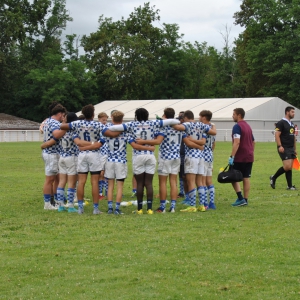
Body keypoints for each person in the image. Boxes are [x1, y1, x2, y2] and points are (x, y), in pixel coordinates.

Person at [108, 108, 180, 214]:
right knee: (149, 183)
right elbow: (174, 121)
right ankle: (150, 209)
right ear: (147, 115)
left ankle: (140, 209)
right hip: (150, 156)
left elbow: (113, 128)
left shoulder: (131, 124)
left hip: (138, 156)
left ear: (136, 115)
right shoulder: (154, 123)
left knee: (140, 183)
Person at [136, 107, 203, 213]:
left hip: (165, 157)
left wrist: (142, 141)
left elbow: (158, 141)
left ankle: (162, 207)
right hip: (176, 157)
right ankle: (172, 206)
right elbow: (187, 141)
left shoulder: (163, 128)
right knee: (173, 182)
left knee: (162, 182)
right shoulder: (179, 128)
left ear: (165, 116)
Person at [60, 104, 119, 215]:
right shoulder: (98, 125)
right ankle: (95, 209)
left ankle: (80, 208)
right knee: (95, 182)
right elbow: (110, 133)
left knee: (81, 182)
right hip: (94, 155)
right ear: (93, 114)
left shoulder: (77, 123)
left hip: (82, 154)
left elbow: (63, 127)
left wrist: (65, 122)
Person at [173, 110, 217, 212]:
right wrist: (200, 146)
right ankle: (202, 205)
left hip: (191, 156)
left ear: (185, 118)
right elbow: (213, 133)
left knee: (191, 181)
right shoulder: (201, 125)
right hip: (202, 156)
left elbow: (178, 128)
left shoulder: (187, 124)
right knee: (200, 182)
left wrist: (168, 121)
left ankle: (192, 206)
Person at [41, 112, 79, 213]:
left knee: (61, 182)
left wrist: (43, 145)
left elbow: (53, 139)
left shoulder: (61, 131)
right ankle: (70, 206)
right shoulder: (74, 131)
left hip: (62, 157)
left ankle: (61, 205)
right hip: (72, 157)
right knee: (71, 183)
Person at [41, 104, 67, 210]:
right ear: (60, 114)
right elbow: (56, 134)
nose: (63, 118)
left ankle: (56, 201)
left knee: (57, 178)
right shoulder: (55, 123)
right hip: (52, 153)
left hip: (50, 152)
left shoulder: (47, 121)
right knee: (49, 179)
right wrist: (65, 128)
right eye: (63, 116)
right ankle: (47, 203)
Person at [229, 108, 255, 207]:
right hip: (249, 156)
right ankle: (246, 199)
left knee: (233, 177)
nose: (232, 116)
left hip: (240, 156)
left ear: (239, 115)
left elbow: (237, 142)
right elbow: (253, 141)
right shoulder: (248, 126)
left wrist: (232, 156)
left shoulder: (237, 126)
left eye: (234, 114)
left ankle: (240, 198)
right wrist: (252, 151)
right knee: (246, 177)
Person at [270, 106, 297, 190]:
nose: (294, 113)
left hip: (291, 148)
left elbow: (293, 137)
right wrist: (279, 146)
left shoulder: (291, 124)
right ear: (287, 112)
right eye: (292, 112)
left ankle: (289, 186)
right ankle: (273, 177)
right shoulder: (281, 123)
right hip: (284, 147)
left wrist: (295, 149)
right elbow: (277, 135)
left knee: (289, 167)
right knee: (287, 166)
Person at [199, 110, 216, 209]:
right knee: (210, 180)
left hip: (203, 154)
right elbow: (214, 144)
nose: (199, 118)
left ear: (204, 117)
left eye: (200, 116)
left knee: (203, 180)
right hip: (210, 154)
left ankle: (205, 203)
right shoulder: (212, 127)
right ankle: (212, 202)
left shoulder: (203, 128)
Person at [97, 112, 109, 200]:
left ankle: (107, 192)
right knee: (100, 173)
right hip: (99, 153)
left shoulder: (108, 127)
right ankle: (100, 192)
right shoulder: (96, 127)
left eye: (106, 120)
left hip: (107, 153)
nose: (104, 121)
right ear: (99, 119)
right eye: (103, 120)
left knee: (107, 173)